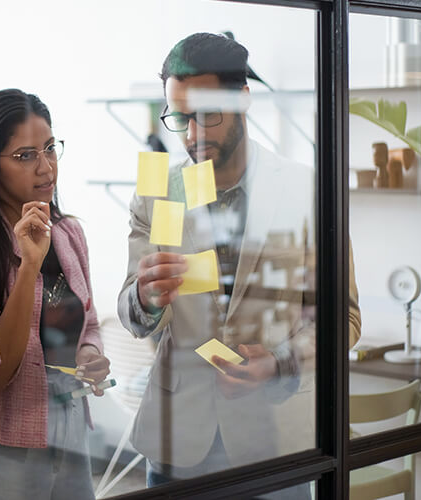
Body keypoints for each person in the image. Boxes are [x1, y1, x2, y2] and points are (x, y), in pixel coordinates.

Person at [116, 33, 362, 495]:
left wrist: (279, 361)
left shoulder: (307, 190)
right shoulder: (156, 191)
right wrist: (145, 298)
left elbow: (343, 318)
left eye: (208, 115)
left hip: (274, 445)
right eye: (180, 117)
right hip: (177, 445)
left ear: (243, 100)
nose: (192, 134)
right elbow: (133, 315)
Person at [0, 89, 111, 500]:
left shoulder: (68, 232)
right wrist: (28, 265)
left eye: (49, 149)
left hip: (70, 424)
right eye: (25, 156)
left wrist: (90, 356)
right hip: (0, 438)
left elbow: (89, 322)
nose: (46, 168)